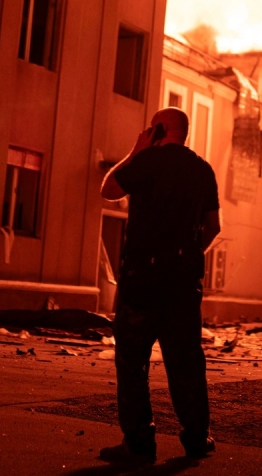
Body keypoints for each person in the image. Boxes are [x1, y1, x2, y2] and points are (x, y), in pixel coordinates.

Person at [97, 107, 220, 463]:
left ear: (159, 131)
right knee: (186, 364)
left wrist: (136, 151)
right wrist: (187, 257)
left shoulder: (147, 162)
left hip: (143, 282)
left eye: (150, 129)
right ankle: (196, 439)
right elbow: (213, 227)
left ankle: (139, 444)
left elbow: (109, 189)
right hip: (183, 284)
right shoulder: (202, 170)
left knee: (133, 364)